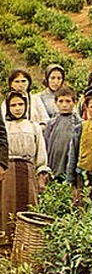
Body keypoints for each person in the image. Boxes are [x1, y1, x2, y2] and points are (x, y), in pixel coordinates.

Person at [1, 91, 49, 244]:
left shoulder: (33, 126)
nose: (17, 108)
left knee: (29, 207)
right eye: (13, 105)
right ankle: (6, 243)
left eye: (20, 104)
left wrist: (41, 172)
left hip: (28, 171)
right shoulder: (5, 127)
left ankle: (28, 243)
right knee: (7, 205)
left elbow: (40, 152)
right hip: (8, 171)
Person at [43, 86, 80, 182]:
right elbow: (45, 145)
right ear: (55, 103)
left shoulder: (78, 123)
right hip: (53, 165)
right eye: (61, 101)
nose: (64, 105)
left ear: (75, 102)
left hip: (70, 167)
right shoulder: (51, 123)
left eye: (68, 101)